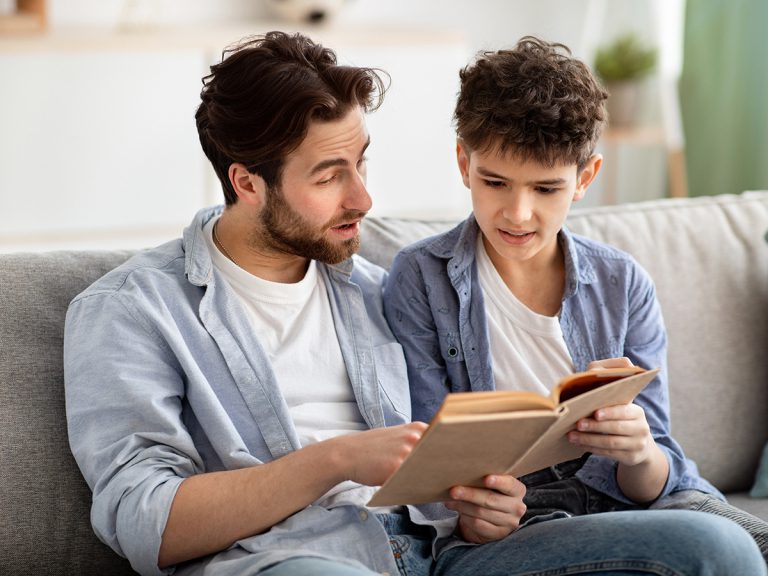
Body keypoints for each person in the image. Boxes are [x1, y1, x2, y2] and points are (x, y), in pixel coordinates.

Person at [63, 31, 765, 576]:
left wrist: (474, 509)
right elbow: (142, 521)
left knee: (717, 547)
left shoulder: (374, 289)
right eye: (331, 175)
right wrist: (335, 460)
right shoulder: (132, 311)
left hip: (434, 557)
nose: (364, 199)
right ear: (247, 182)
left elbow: (443, 483)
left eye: (361, 162)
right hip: (292, 559)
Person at [383, 35, 768, 562]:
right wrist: (471, 518)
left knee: (746, 542)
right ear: (462, 163)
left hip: (641, 508)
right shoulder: (421, 278)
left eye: (545, 189)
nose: (517, 214)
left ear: (585, 177)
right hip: (518, 529)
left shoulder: (621, 282)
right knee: (717, 547)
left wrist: (638, 452)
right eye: (495, 182)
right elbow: (424, 472)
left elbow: (658, 478)